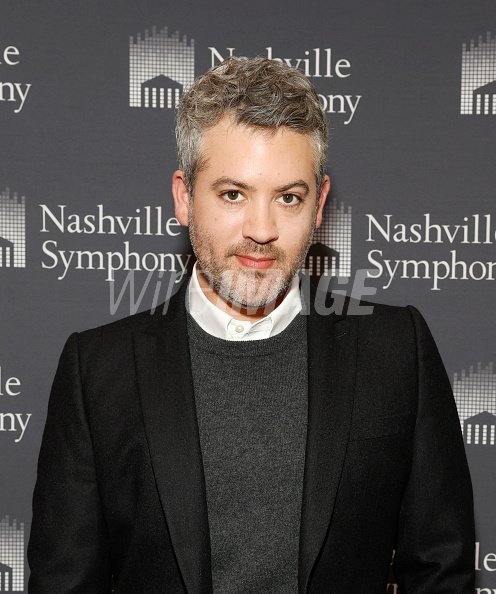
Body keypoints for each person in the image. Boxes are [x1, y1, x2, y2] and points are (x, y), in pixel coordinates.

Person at [28, 57, 475, 593]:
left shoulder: (396, 350)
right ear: (183, 197)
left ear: (319, 206)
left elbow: (440, 572)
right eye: (233, 194)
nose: (261, 230)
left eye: (289, 197)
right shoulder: (97, 371)